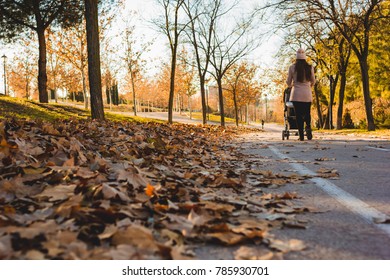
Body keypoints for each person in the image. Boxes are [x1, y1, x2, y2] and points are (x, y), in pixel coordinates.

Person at [286, 48, 316, 141]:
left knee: (298, 115)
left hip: (296, 94)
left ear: (296, 57)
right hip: (307, 93)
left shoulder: (292, 67)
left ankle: (301, 136)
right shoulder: (310, 67)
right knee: (307, 113)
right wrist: (308, 86)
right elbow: (313, 81)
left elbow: (288, 82)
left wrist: (292, 86)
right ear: (305, 57)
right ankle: (308, 126)